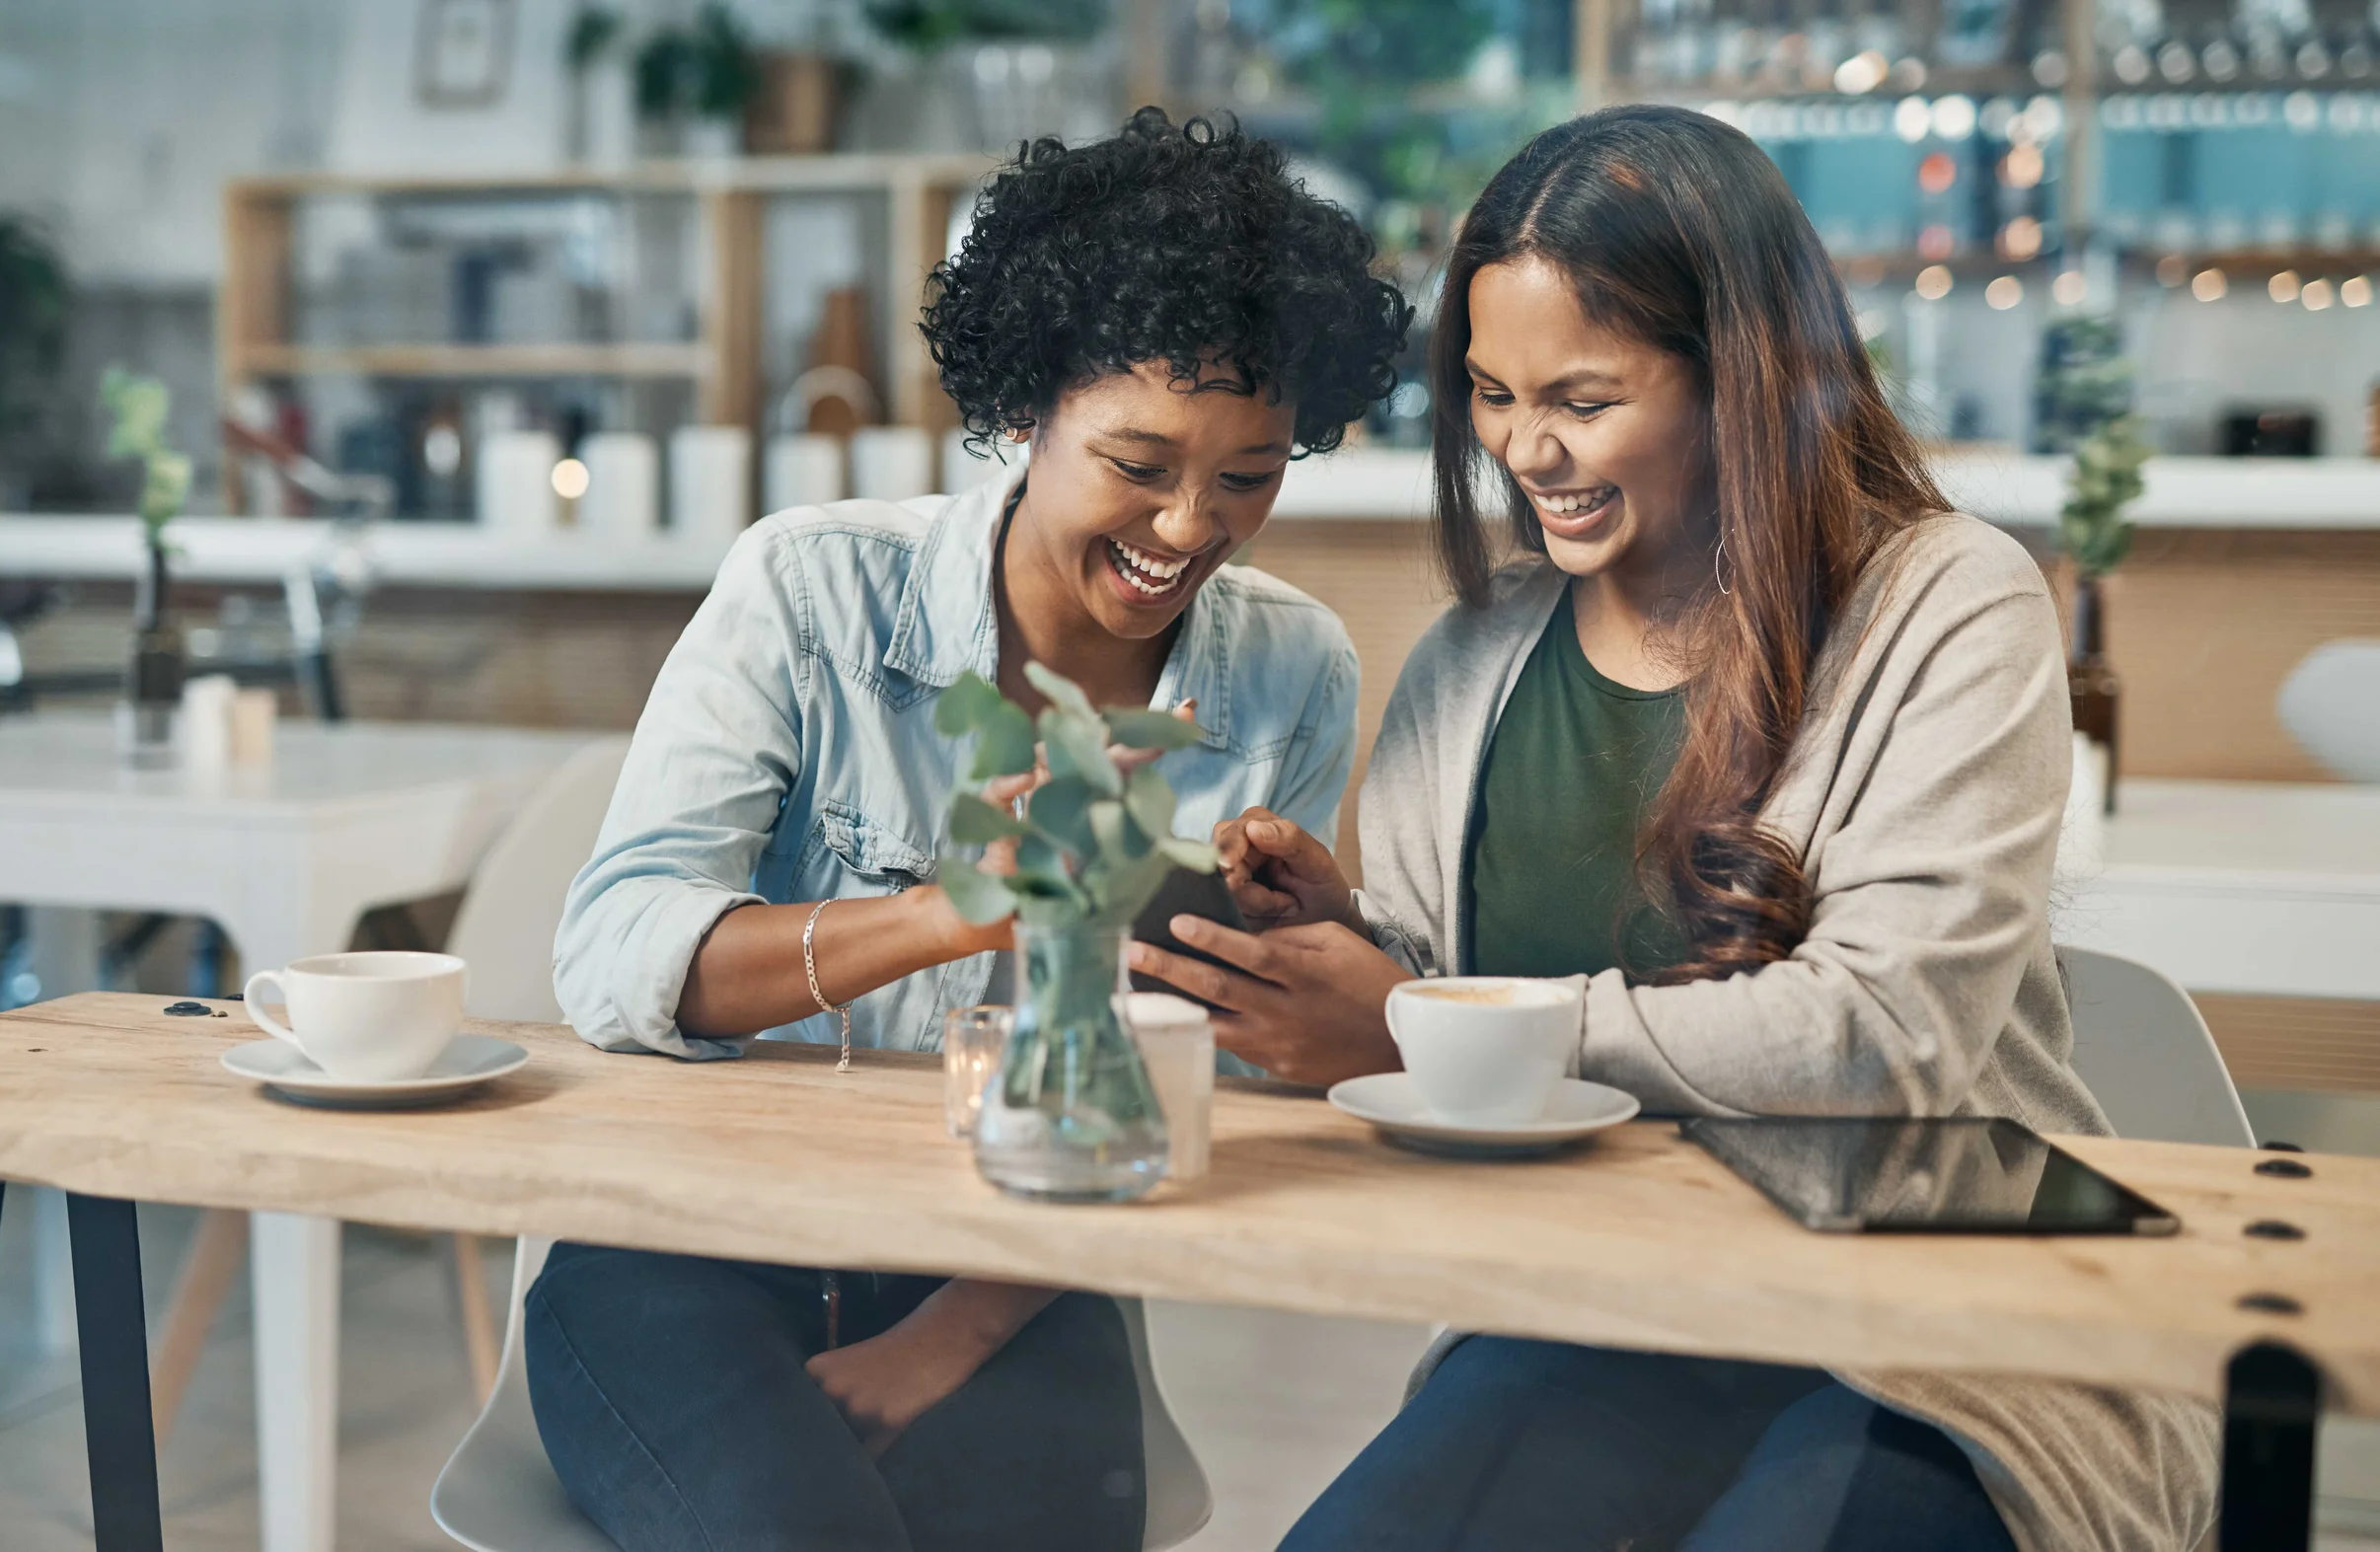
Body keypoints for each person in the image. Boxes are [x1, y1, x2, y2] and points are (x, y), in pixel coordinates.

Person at [1127, 105, 2215, 1552]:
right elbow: (1428, 994)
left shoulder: (1949, 603)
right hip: (1603, 1316)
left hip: (1943, 1330)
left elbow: (1885, 1034)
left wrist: (1425, 1019)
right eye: (1492, 394)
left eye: (1581, 399)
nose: (1525, 448)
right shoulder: (1476, 660)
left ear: (1740, 376)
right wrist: (1332, 947)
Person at [534, 109, 1408, 1552]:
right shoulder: (813, 593)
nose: (1190, 527)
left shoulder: (1290, 672)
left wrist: (1317, 960)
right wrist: (944, 913)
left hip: (1022, 1265)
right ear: (1024, 411)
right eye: (1140, 462)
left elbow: (1187, 1087)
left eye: (1248, 476)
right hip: (688, 1251)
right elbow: (615, 956)